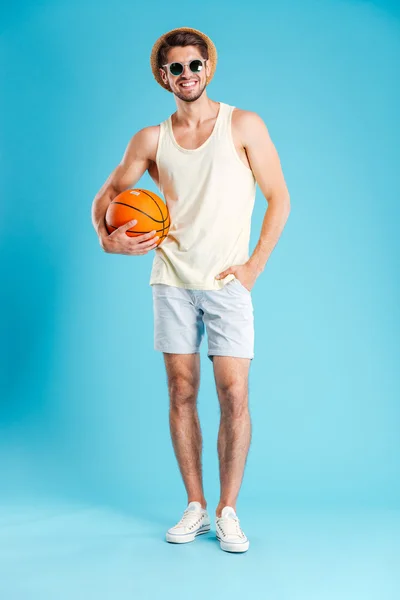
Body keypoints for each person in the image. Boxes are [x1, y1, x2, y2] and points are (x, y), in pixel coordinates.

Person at [91, 27, 290, 553]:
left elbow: (280, 198)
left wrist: (253, 268)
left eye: (194, 65)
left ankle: (228, 511)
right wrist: (107, 241)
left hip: (228, 284)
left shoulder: (242, 125)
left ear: (209, 68)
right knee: (181, 392)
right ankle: (196, 507)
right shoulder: (151, 140)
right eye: (175, 68)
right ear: (164, 77)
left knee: (234, 395)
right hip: (172, 281)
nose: (186, 75)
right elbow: (109, 193)